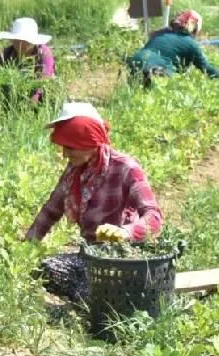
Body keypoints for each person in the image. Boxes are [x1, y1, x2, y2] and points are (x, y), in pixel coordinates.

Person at [25, 102, 163, 303]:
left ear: (88, 142)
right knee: (45, 269)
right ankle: (94, 296)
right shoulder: (74, 171)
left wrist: (126, 232)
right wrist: (26, 246)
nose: (65, 154)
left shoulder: (125, 168)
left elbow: (154, 217)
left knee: (94, 291)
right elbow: (50, 211)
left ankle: (98, 299)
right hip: (92, 256)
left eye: (70, 148)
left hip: (125, 260)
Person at [127, 10, 219, 85]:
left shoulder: (161, 34)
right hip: (156, 67)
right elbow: (205, 67)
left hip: (135, 60)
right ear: (194, 28)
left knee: (137, 93)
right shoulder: (190, 43)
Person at [0, 17, 56, 104]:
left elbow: (43, 81)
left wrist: (29, 104)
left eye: (25, 41)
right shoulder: (5, 55)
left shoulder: (44, 54)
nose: (21, 44)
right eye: (17, 41)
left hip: (43, 98)